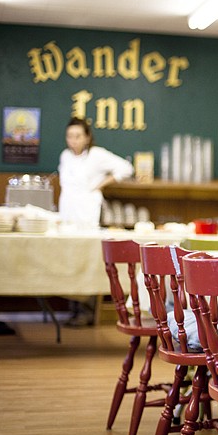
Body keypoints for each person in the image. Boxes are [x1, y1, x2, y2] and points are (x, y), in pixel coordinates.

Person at [58, 116, 134, 326]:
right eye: (70, 136)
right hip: (68, 213)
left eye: (78, 136)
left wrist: (101, 184)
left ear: (87, 137)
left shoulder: (97, 155)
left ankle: (87, 311)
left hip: (89, 213)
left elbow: (126, 168)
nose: (73, 140)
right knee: (69, 258)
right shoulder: (65, 156)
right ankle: (73, 309)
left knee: (87, 258)